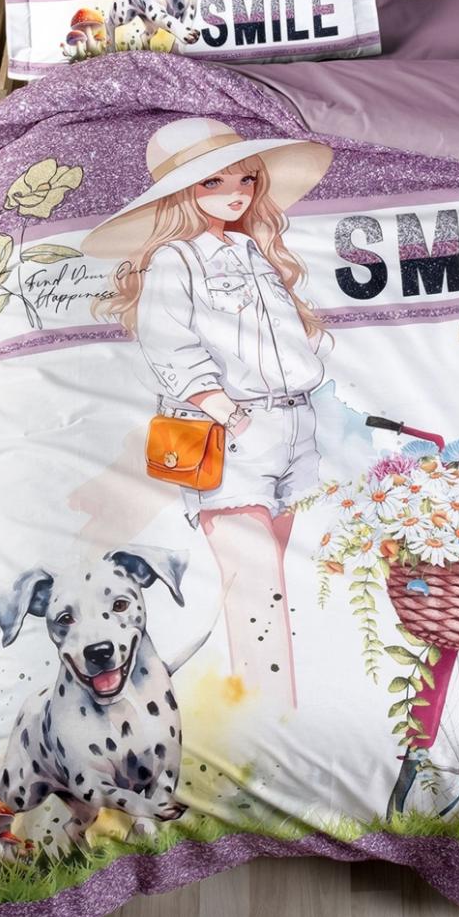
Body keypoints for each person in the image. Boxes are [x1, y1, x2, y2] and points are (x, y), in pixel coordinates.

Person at [85, 117, 333, 708]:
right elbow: (166, 338)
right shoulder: (177, 258)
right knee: (255, 588)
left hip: (296, 426)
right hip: (231, 433)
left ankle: (291, 707)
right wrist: (221, 406)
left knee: (294, 580)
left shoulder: (252, 249)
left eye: (246, 179)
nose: (236, 193)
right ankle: (269, 718)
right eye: (213, 182)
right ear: (182, 193)